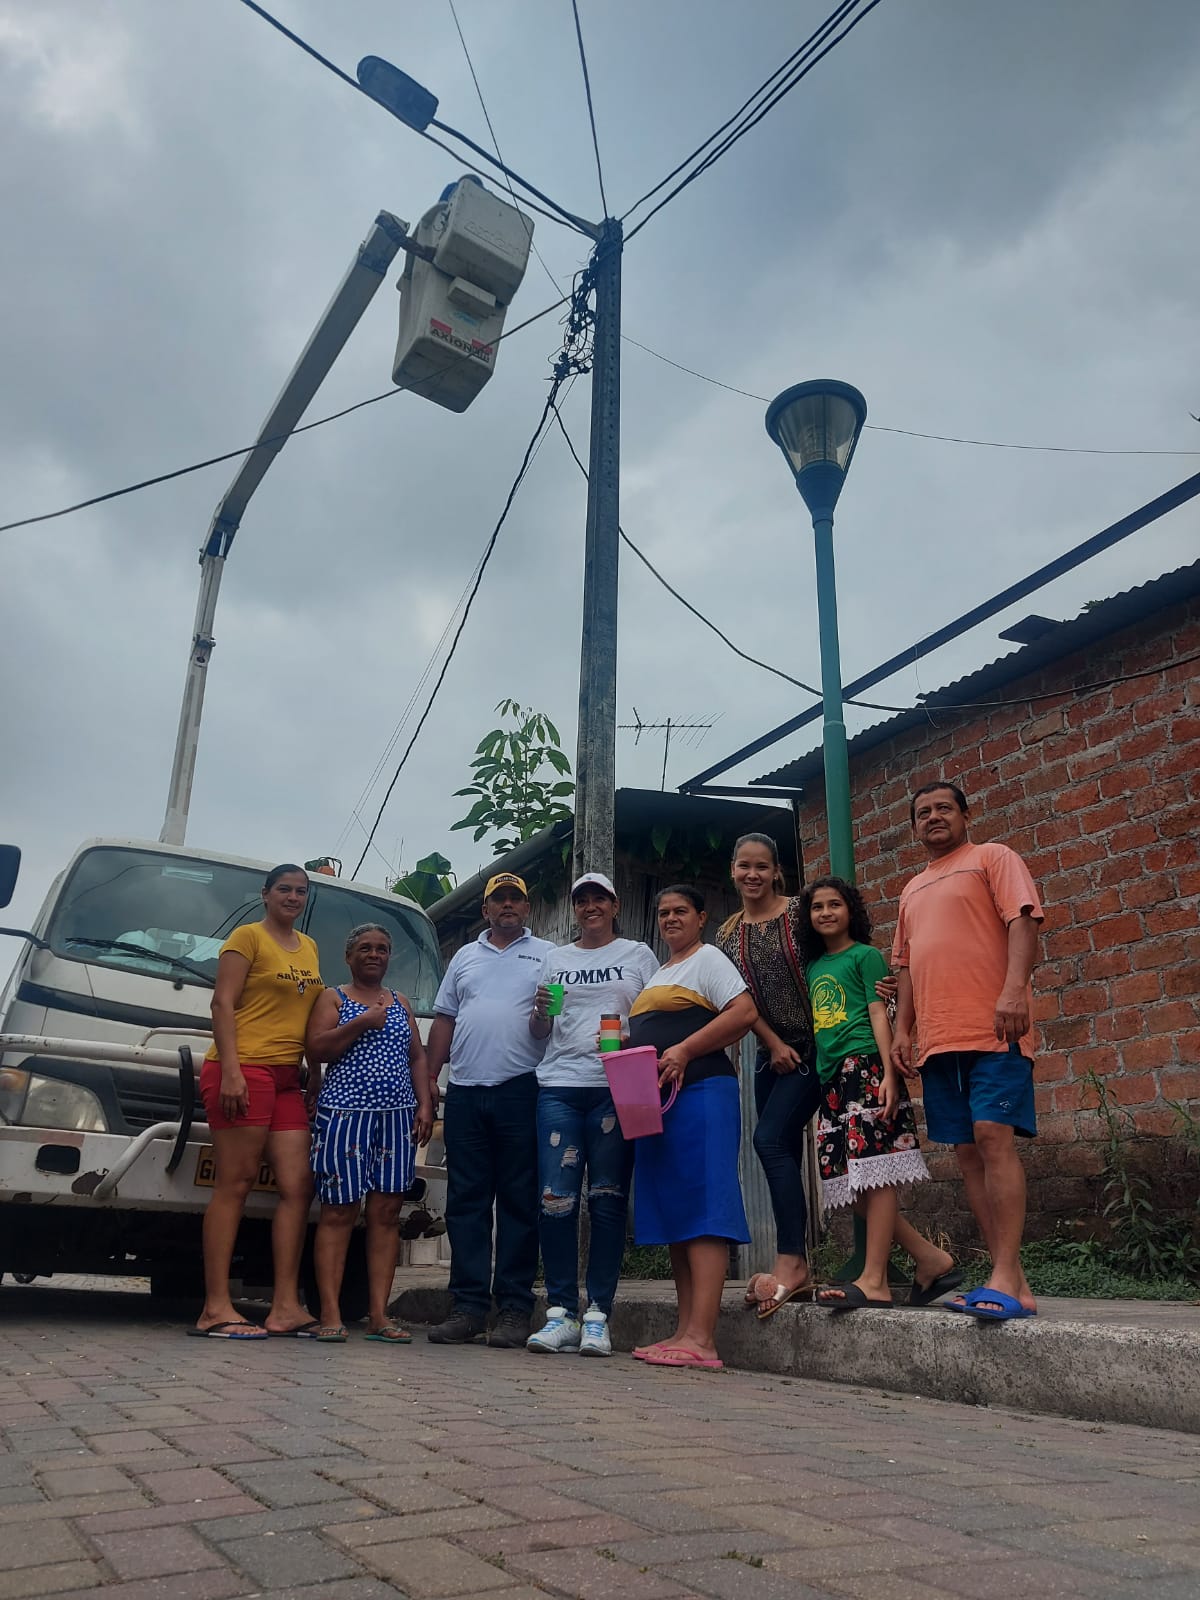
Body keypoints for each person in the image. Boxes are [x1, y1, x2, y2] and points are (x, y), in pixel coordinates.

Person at [715, 834, 950, 1316]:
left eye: (762, 866)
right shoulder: (727, 934)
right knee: (815, 1163)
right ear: (733, 869)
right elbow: (740, 998)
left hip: (824, 1051)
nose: (752, 874)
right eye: (744, 866)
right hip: (775, 1055)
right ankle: (928, 1257)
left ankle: (794, 1261)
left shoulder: (799, 914)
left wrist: (884, 998)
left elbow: (857, 974)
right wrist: (771, 1042)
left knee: (772, 1141)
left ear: (777, 871)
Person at [890, 781, 1044, 1321]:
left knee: (992, 1136)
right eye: (922, 813)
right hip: (938, 1040)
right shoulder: (911, 889)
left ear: (965, 815)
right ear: (914, 827)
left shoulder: (992, 858)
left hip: (995, 1028)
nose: (933, 817)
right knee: (967, 1153)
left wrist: (1014, 989)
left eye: (943, 808)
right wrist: (903, 1030)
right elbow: (906, 965)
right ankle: (1013, 1283)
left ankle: (1003, 1276)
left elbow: (1023, 919)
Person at [526, 873, 659, 1357]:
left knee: (608, 1199)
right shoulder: (556, 959)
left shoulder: (638, 955)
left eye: (598, 898)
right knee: (555, 1200)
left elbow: (653, 1017)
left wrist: (629, 1040)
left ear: (615, 905)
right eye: (581, 900)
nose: (590, 906)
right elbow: (539, 1032)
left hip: (616, 1088)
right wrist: (540, 1012)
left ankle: (599, 1316)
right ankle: (561, 1314)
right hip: (559, 1085)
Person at [626, 885, 758, 1371]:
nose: (670, 919)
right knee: (678, 1216)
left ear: (702, 917)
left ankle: (703, 1338)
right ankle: (685, 1331)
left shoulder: (709, 960)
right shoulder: (661, 973)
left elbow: (744, 1013)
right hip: (662, 1103)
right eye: (663, 912)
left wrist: (683, 1050)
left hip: (702, 1094)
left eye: (680, 911)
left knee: (703, 1210)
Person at [192, 863, 323, 1339]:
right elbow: (222, 1003)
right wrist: (230, 1071)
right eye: (284, 889)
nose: (292, 897)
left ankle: (284, 1306)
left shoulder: (308, 947)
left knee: (298, 1186)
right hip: (243, 1069)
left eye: (301, 891)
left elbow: (308, 1016)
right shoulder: (246, 937)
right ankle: (215, 1308)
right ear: (265, 894)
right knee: (237, 1181)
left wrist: (315, 1073)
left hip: (288, 1077)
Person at [424, 872, 554, 1347]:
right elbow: (444, 1020)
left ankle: (515, 1309)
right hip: (464, 1091)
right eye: (499, 899)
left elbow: (548, 1024)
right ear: (486, 910)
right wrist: (429, 1082)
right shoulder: (464, 956)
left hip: (521, 1088)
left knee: (519, 1201)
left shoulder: (547, 955)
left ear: (527, 908)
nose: (507, 906)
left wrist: (542, 1016)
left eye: (515, 899)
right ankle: (468, 1307)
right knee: (466, 1202)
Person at [793, 877, 932, 1310]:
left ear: (850, 910)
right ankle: (930, 1258)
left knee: (877, 1170)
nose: (826, 912)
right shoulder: (813, 966)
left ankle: (875, 1280)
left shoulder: (866, 956)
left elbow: (877, 1014)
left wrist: (889, 1074)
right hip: (831, 1077)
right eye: (817, 906)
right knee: (850, 1184)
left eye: (835, 904)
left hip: (866, 1066)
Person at [304, 924, 435, 1342]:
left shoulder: (400, 1001)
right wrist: (362, 1022)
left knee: (386, 1214)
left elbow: (417, 1057)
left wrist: (425, 1104)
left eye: (381, 949)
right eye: (365, 948)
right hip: (345, 1116)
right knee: (339, 1211)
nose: (374, 954)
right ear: (349, 956)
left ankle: (379, 1315)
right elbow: (317, 1048)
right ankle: (330, 1313)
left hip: (396, 1118)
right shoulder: (334, 998)